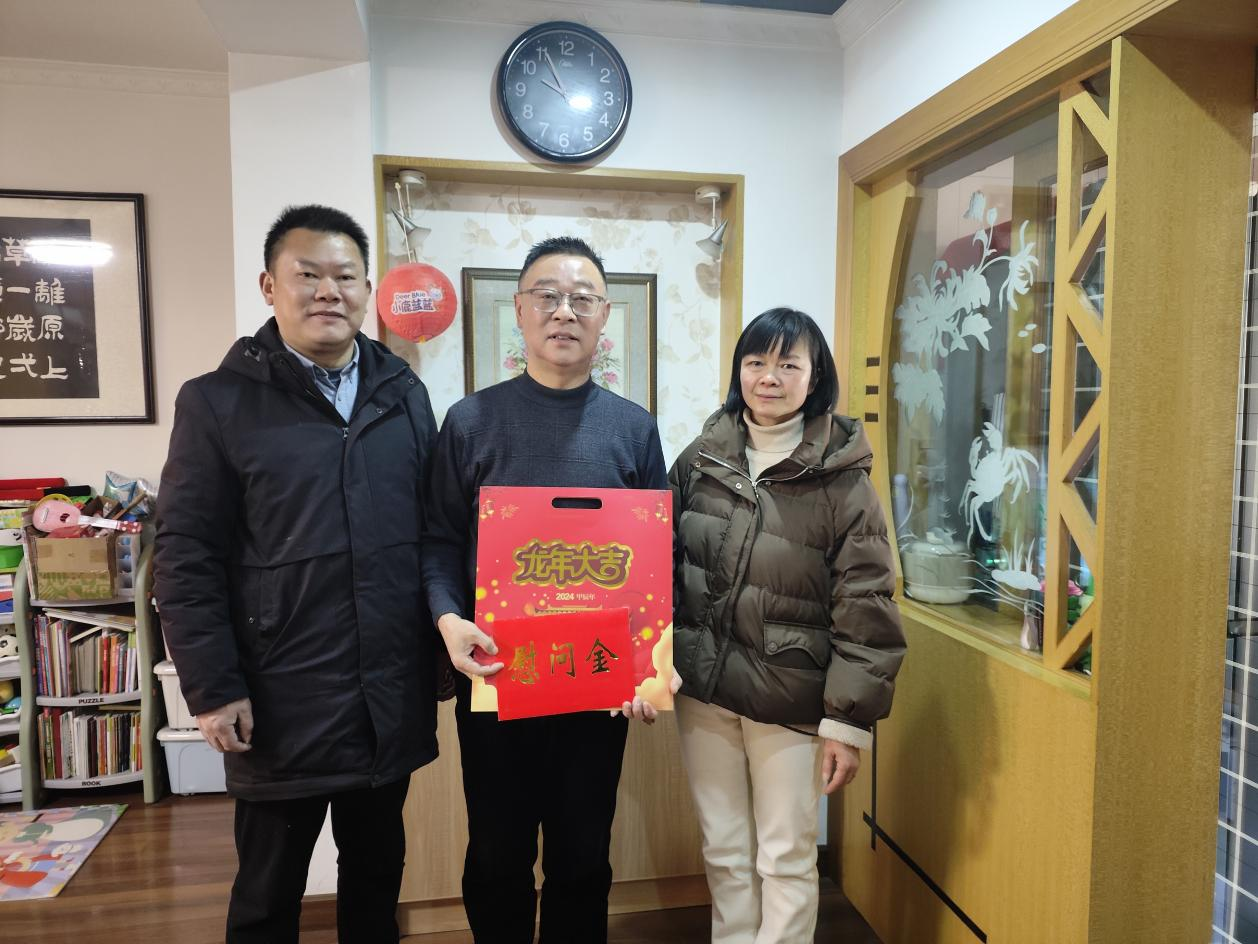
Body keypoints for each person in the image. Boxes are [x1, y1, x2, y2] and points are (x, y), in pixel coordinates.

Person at [155, 204, 440, 944]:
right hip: (280, 696)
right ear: (269, 286)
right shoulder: (217, 401)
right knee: (267, 892)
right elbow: (184, 554)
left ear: (367, 289)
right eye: (307, 274)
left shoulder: (403, 392)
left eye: (345, 276)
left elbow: (431, 531)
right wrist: (213, 688)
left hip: (386, 690)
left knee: (377, 879)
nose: (327, 291)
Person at [421, 236, 667, 943]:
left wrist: (649, 669)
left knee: (583, 856)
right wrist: (447, 618)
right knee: (497, 854)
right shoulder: (469, 421)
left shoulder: (633, 428)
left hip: (597, 686)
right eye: (549, 297)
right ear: (521, 310)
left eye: (582, 299)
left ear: (604, 315)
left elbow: (656, 558)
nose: (565, 312)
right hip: (499, 674)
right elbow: (437, 540)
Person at [670, 307, 905, 944]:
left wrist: (847, 723)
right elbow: (658, 561)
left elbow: (866, 602)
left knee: (785, 856)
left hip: (791, 694)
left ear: (815, 377)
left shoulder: (843, 481)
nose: (769, 377)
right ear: (739, 372)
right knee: (724, 850)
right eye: (756, 362)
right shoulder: (700, 459)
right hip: (704, 689)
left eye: (787, 364)